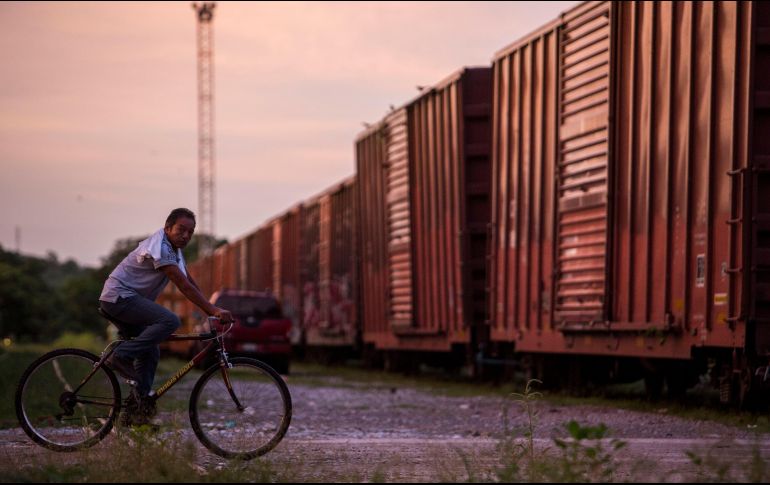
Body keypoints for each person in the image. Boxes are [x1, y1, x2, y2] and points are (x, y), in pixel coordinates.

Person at [99, 208, 233, 426]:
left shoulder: (175, 251)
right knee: (170, 321)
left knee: (151, 351)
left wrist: (210, 308)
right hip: (119, 297)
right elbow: (182, 286)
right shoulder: (160, 248)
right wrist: (212, 310)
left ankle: (136, 414)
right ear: (167, 228)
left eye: (191, 232)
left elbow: (190, 283)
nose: (186, 236)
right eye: (181, 230)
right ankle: (120, 356)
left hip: (126, 300)